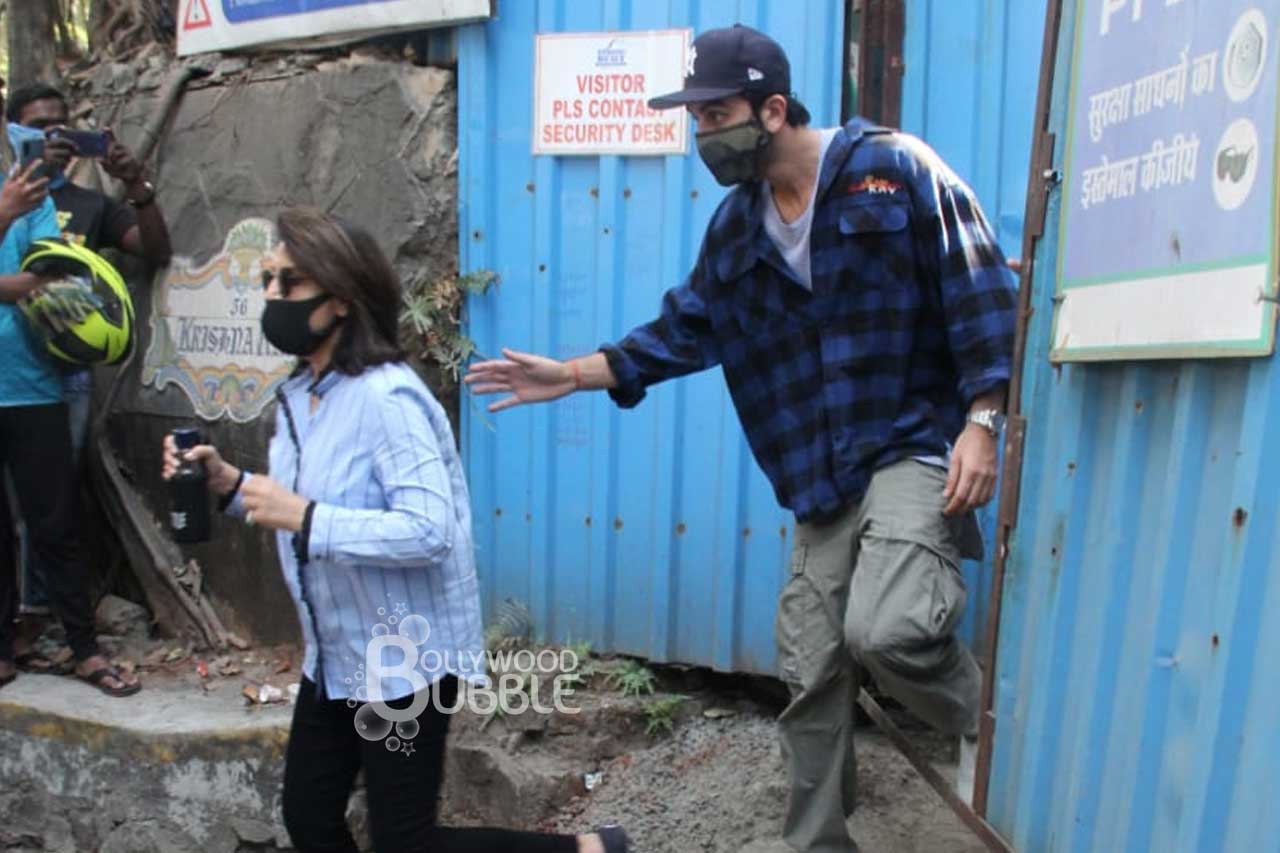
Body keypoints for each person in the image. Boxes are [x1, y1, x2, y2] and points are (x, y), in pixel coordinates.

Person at [464, 24, 1016, 853]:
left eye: (715, 113)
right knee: (811, 666)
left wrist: (982, 420)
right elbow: (684, 330)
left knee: (890, 629)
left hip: (907, 441)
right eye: (694, 117)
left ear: (773, 109)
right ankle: (816, 843)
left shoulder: (892, 171)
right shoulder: (737, 231)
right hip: (819, 475)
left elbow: (977, 281)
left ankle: (977, 721)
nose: (702, 134)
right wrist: (573, 375)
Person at [161, 207, 629, 853]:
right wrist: (230, 486)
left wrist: (307, 517)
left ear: (342, 299)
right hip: (335, 654)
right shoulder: (303, 394)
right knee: (310, 816)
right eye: (267, 280)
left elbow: (430, 529)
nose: (272, 297)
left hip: (400, 662)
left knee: (405, 840)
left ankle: (585, 849)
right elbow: (297, 505)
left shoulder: (387, 398)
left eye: (289, 282)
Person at [7, 82, 172, 675]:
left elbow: (145, 252)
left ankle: (64, 635)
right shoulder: (10, 200)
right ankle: (10, 640)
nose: (53, 138)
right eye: (38, 128)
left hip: (50, 383)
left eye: (61, 126)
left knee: (51, 513)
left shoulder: (71, 204)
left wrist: (136, 184)